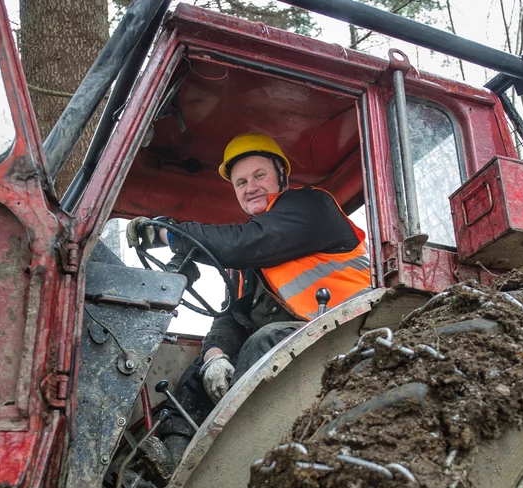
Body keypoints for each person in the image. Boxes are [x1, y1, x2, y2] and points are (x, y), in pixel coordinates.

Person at [127, 132, 371, 458]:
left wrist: (169, 234)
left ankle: (233, 460)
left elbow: (242, 243)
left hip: (349, 329)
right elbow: (232, 315)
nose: (250, 187)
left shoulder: (310, 207)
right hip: (298, 339)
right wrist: (214, 355)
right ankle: (170, 463)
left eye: (259, 175)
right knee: (200, 367)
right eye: (240, 183)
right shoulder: (250, 260)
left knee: (264, 342)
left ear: (281, 177)